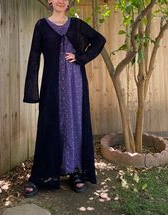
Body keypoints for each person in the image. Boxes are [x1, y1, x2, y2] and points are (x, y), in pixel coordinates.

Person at [23, 0, 106, 198]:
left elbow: (99, 40)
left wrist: (81, 57)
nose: (61, 1)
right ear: (50, 1)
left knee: (75, 124)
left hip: (75, 84)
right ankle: (42, 175)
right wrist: (32, 90)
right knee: (50, 125)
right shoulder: (42, 26)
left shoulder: (77, 25)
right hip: (52, 86)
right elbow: (34, 56)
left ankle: (75, 172)